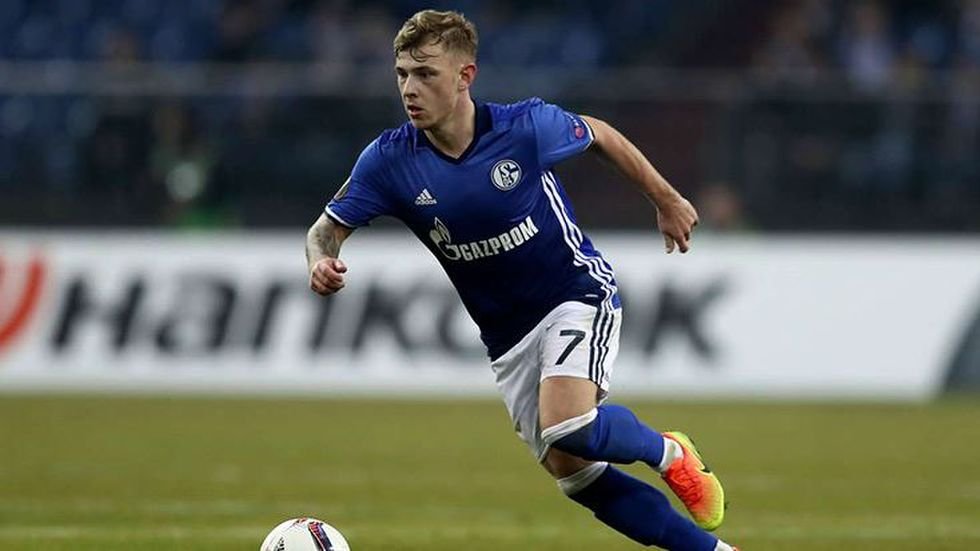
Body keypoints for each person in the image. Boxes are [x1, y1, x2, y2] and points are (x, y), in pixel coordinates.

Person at [306, 10, 736, 551]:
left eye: (426, 74)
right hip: (507, 338)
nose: (410, 89)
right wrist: (320, 261)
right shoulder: (389, 160)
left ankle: (670, 452)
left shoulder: (524, 128)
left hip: (573, 293)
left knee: (568, 425)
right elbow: (325, 230)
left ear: (465, 76)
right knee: (576, 476)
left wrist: (666, 199)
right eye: (402, 74)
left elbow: (600, 135)